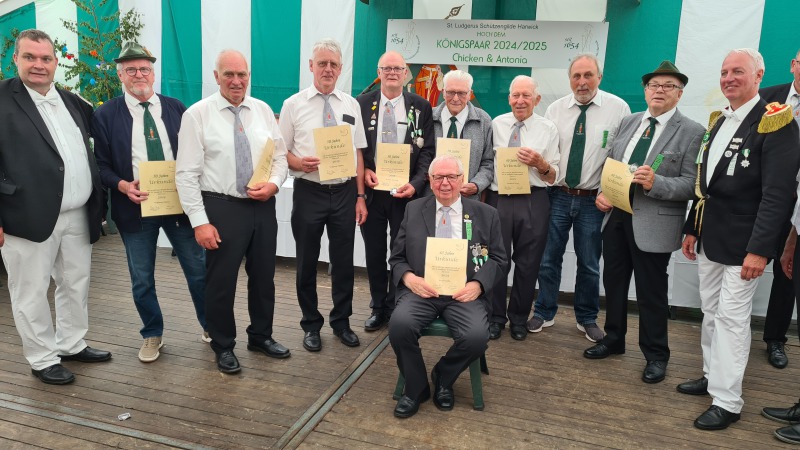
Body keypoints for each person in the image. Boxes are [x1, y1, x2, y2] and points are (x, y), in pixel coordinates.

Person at [680, 48, 800, 430]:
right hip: (710, 237)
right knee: (710, 311)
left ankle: (728, 401)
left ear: (759, 76)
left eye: (738, 71)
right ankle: (711, 375)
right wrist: (692, 227)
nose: (728, 78)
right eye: (724, 72)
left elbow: (778, 195)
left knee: (732, 319)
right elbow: (706, 185)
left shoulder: (776, 121)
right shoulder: (719, 120)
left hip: (745, 245)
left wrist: (760, 250)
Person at [0, 29, 110, 385]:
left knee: (75, 282)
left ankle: (71, 343)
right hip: (24, 216)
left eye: (46, 58)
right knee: (30, 291)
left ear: (55, 62)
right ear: (15, 59)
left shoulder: (71, 100)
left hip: (78, 213)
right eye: (30, 57)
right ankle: (42, 358)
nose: (38, 64)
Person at [583, 61, 704, 384]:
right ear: (645, 90)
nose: (659, 91)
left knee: (652, 292)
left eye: (668, 86)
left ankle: (656, 355)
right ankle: (613, 339)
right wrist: (602, 193)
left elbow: (692, 184)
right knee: (614, 283)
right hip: (616, 216)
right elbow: (611, 164)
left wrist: (656, 183)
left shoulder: (692, 131)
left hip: (654, 223)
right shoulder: (629, 121)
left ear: (679, 93)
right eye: (654, 85)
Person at [175, 49, 290, 374]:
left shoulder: (263, 110)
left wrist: (274, 185)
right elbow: (185, 174)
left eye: (242, 75)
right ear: (216, 76)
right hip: (222, 207)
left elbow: (280, 156)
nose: (236, 81)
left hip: (262, 206)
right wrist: (200, 222)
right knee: (221, 282)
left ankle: (261, 336)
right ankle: (223, 345)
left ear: (248, 76)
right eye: (229, 74)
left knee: (264, 277)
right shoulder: (197, 115)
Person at [93, 42, 208, 363]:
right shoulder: (105, 115)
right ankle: (152, 333)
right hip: (134, 207)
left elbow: (195, 154)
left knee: (198, 270)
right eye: (131, 70)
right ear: (120, 76)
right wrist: (122, 185)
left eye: (144, 69)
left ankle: (211, 325)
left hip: (178, 205)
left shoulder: (176, 108)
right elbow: (100, 165)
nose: (139, 75)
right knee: (142, 278)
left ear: (153, 74)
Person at [388, 155, 507, 418]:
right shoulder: (413, 209)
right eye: (439, 177)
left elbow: (499, 259)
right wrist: (409, 279)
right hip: (422, 291)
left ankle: (443, 377)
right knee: (399, 326)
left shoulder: (486, 214)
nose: (445, 183)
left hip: (464, 294)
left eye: (451, 177)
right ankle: (416, 388)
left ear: (462, 180)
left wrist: (478, 284)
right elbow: (396, 258)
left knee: (476, 337)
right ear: (429, 180)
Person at [531, 53, 630, 342]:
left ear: (599, 77)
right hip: (558, 195)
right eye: (576, 76)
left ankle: (586, 317)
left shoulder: (618, 109)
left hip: (594, 200)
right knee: (549, 258)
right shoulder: (555, 110)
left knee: (589, 262)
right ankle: (544, 311)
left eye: (588, 75)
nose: (582, 82)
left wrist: (609, 191)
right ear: (570, 79)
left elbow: (622, 155)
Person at [280, 38, 368, 352]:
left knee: (343, 262)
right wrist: (297, 163)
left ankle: (341, 322)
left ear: (340, 69)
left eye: (333, 64)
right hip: (309, 191)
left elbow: (358, 153)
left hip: (344, 192)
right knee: (306, 261)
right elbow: (281, 152)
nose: (327, 69)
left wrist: (360, 196)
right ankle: (311, 325)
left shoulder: (351, 105)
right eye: (322, 63)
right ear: (311, 66)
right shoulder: (293, 105)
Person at [356, 51, 434, 332]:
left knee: (402, 251)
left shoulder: (421, 106)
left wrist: (416, 183)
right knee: (374, 251)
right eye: (386, 68)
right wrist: (365, 170)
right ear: (379, 73)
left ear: (405, 73)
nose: (392, 73)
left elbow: (428, 152)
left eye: (397, 68)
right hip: (373, 192)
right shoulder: (361, 104)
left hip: (406, 194)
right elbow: (357, 147)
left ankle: (399, 303)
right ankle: (379, 307)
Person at [486, 75, 559, 341]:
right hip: (499, 198)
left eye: (526, 95)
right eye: (516, 95)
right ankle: (495, 317)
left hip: (533, 198)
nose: (520, 101)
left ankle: (518, 318)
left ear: (536, 100)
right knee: (497, 261)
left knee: (529, 263)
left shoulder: (548, 128)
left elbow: (553, 176)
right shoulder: (496, 124)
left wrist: (540, 163)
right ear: (509, 99)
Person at [758, 49, 800, 369]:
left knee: (787, 273)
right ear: (793, 65)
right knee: (742, 265)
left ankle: (775, 339)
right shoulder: (766, 98)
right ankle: (728, 332)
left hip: (798, 206)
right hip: (761, 200)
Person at [429, 69, 494, 200]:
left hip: (468, 199)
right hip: (431, 197)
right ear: (443, 92)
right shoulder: (428, 117)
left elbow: (489, 162)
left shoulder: (483, 120)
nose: (455, 98)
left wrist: (476, 185)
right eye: (451, 92)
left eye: (462, 93)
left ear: (470, 94)